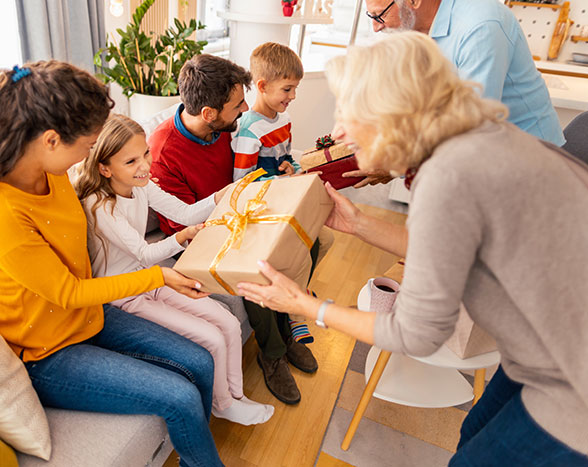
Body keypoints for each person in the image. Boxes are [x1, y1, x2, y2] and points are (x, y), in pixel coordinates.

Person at [237, 32, 588, 465]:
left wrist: (307, 307)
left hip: (576, 381)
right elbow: (448, 247)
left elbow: (413, 334)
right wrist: (361, 224)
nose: (338, 130)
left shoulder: (449, 178)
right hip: (543, 346)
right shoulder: (477, 139)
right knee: (474, 430)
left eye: (349, 112)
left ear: (394, 114)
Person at [0, 61, 224, 467]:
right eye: (89, 142)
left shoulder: (52, 173)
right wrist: (159, 275)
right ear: (52, 140)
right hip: (46, 352)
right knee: (179, 395)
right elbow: (69, 292)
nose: (93, 152)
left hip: (90, 317)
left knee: (200, 360)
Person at [75, 113, 274, 426]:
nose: (144, 166)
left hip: (153, 276)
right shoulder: (100, 207)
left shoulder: (141, 185)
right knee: (211, 337)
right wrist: (182, 238)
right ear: (104, 168)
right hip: (125, 295)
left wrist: (221, 196)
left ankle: (236, 395)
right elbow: (144, 251)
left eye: (145, 154)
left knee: (228, 322)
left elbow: (184, 211)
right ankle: (223, 404)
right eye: (131, 162)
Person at [149, 54, 319, 405]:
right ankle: (272, 353)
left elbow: (256, 165)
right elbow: (182, 222)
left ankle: (288, 331)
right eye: (237, 104)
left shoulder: (228, 128)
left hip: (242, 211)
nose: (245, 107)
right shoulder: (165, 150)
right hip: (199, 233)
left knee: (307, 240)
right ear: (209, 113)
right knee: (255, 272)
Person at [351, 0, 566, 188]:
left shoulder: (481, 25)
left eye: (381, 15)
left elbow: (471, 125)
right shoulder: (418, 28)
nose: (376, 26)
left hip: (531, 164)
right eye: (371, 16)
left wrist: (398, 162)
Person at [231, 42, 314, 345]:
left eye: (295, 90)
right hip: (260, 205)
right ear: (263, 86)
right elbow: (242, 181)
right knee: (297, 243)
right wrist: (277, 176)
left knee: (311, 237)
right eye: (287, 90)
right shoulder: (248, 130)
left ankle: (298, 302)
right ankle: (296, 312)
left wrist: (292, 167)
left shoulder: (284, 120)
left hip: (281, 194)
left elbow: (288, 156)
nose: (293, 97)